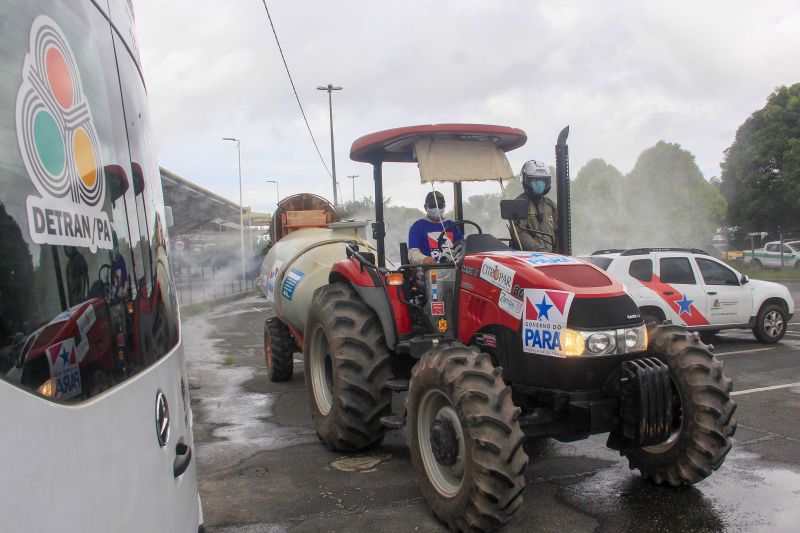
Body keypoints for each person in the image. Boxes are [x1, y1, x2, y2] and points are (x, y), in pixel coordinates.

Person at [511, 159, 557, 252]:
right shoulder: (518, 204)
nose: (539, 184)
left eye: (542, 180)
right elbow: (520, 234)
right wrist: (540, 251)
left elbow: (560, 232)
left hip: (552, 258)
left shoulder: (551, 205)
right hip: (529, 259)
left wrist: (558, 252)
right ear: (526, 181)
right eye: (535, 180)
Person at [408, 191, 463, 264]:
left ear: (444, 206)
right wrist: (424, 259)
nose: (436, 208)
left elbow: (462, 247)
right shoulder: (417, 227)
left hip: (452, 268)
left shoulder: (452, 226)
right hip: (427, 270)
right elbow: (413, 253)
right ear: (425, 207)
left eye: (440, 206)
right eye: (432, 205)